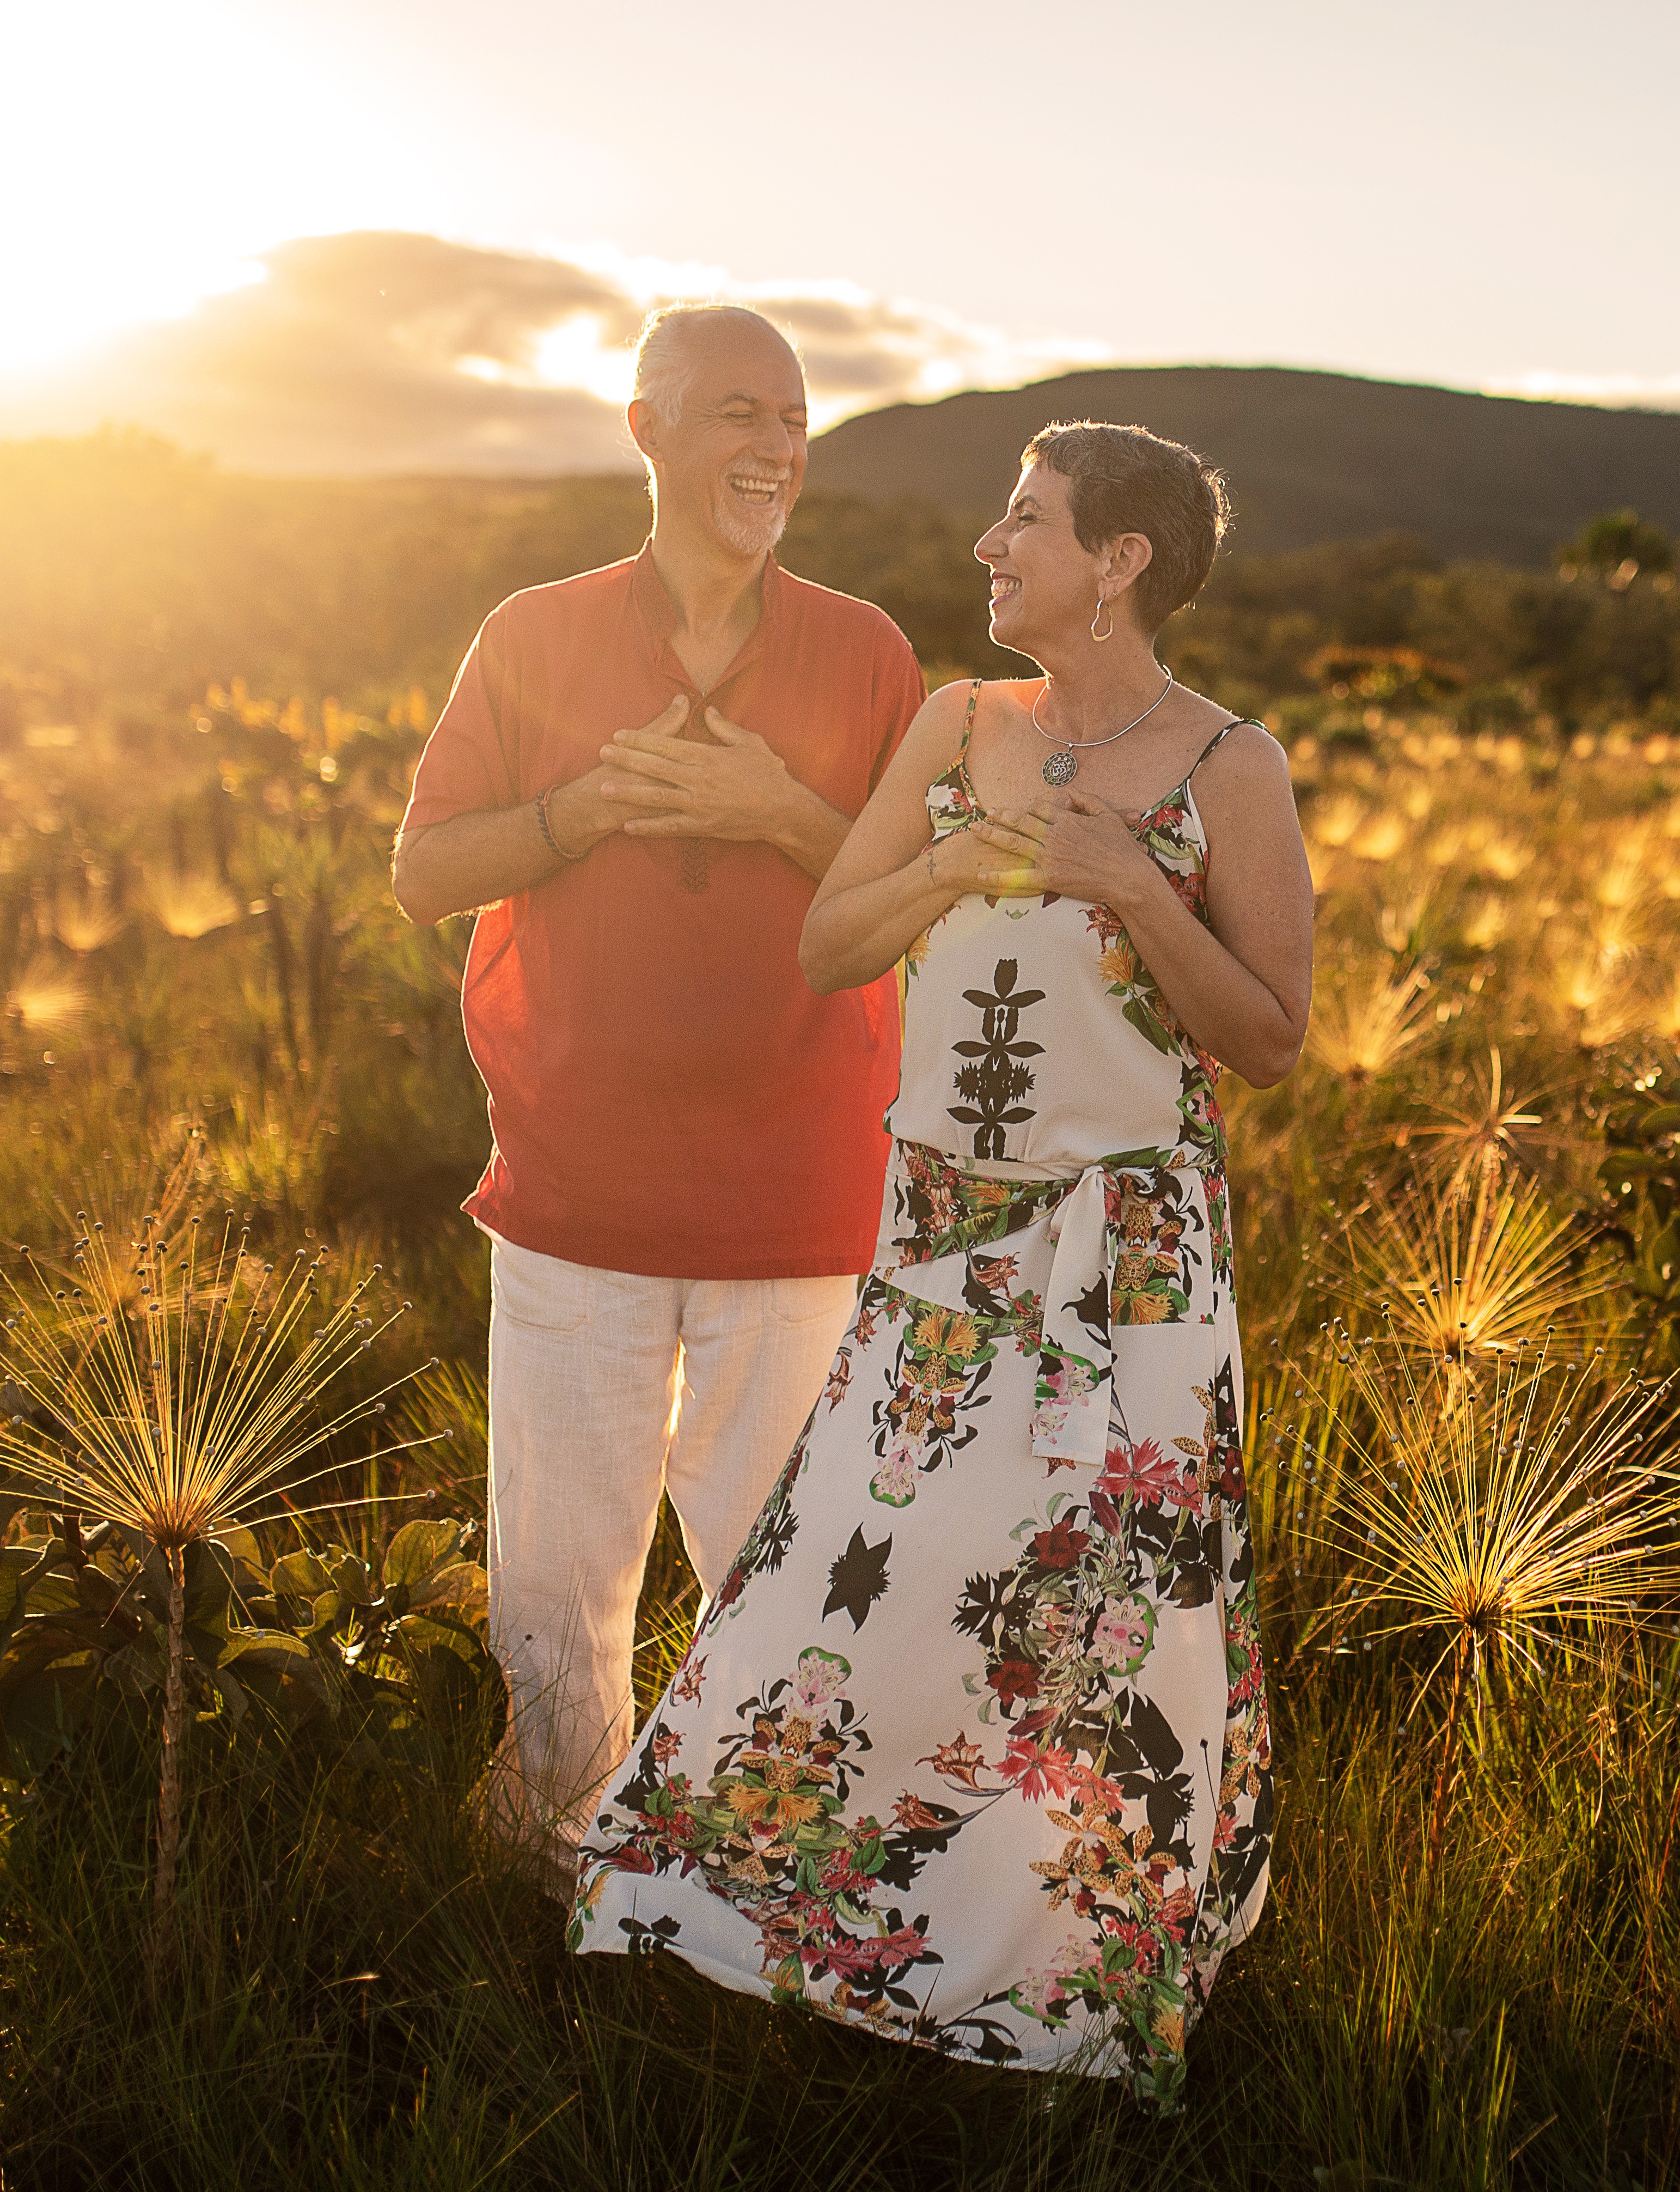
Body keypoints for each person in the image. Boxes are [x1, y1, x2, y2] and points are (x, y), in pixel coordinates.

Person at [570, 419, 1314, 2100]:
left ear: (1120, 560)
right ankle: (788, 1915)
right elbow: (831, 937)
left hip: (1126, 1261)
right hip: (937, 1243)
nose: (991, 544)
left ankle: (1062, 1973)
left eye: (1028, 522)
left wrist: (1134, 886)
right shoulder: (957, 726)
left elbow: (1269, 1042)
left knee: (1106, 1604)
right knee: (870, 1565)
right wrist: (945, 861)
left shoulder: (1228, 769)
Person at [391, 304, 925, 1862]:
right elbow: (426, 871)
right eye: (738, 413)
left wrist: (775, 808)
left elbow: (922, 893)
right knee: (559, 1585)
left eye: (797, 422)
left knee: (781, 1560)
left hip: (800, 1181)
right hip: (578, 1180)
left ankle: (760, 1877)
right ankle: (561, 1865)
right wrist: (574, 813)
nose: (775, 448)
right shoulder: (536, 634)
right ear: (646, 430)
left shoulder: (866, 650)